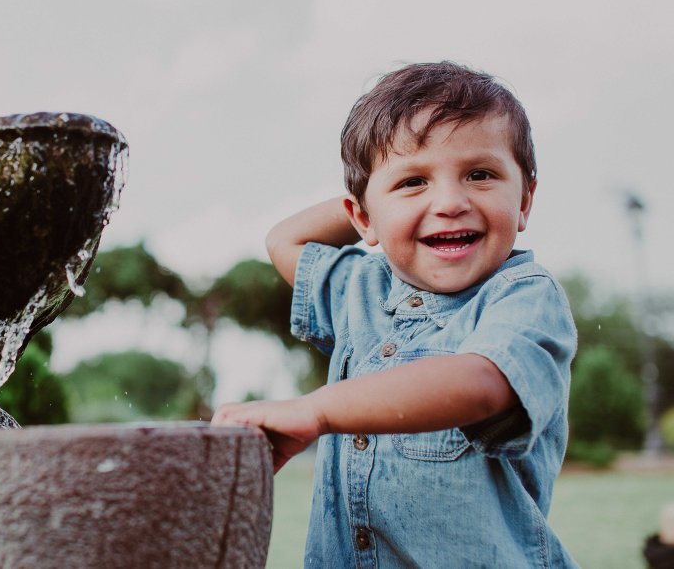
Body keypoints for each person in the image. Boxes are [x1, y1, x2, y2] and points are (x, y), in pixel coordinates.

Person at [211, 61, 577, 567]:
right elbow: (284, 240)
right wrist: (374, 202)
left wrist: (318, 410)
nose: (450, 201)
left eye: (480, 174)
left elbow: (483, 381)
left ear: (525, 201)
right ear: (359, 216)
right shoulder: (360, 288)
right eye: (414, 182)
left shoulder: (524, 296)